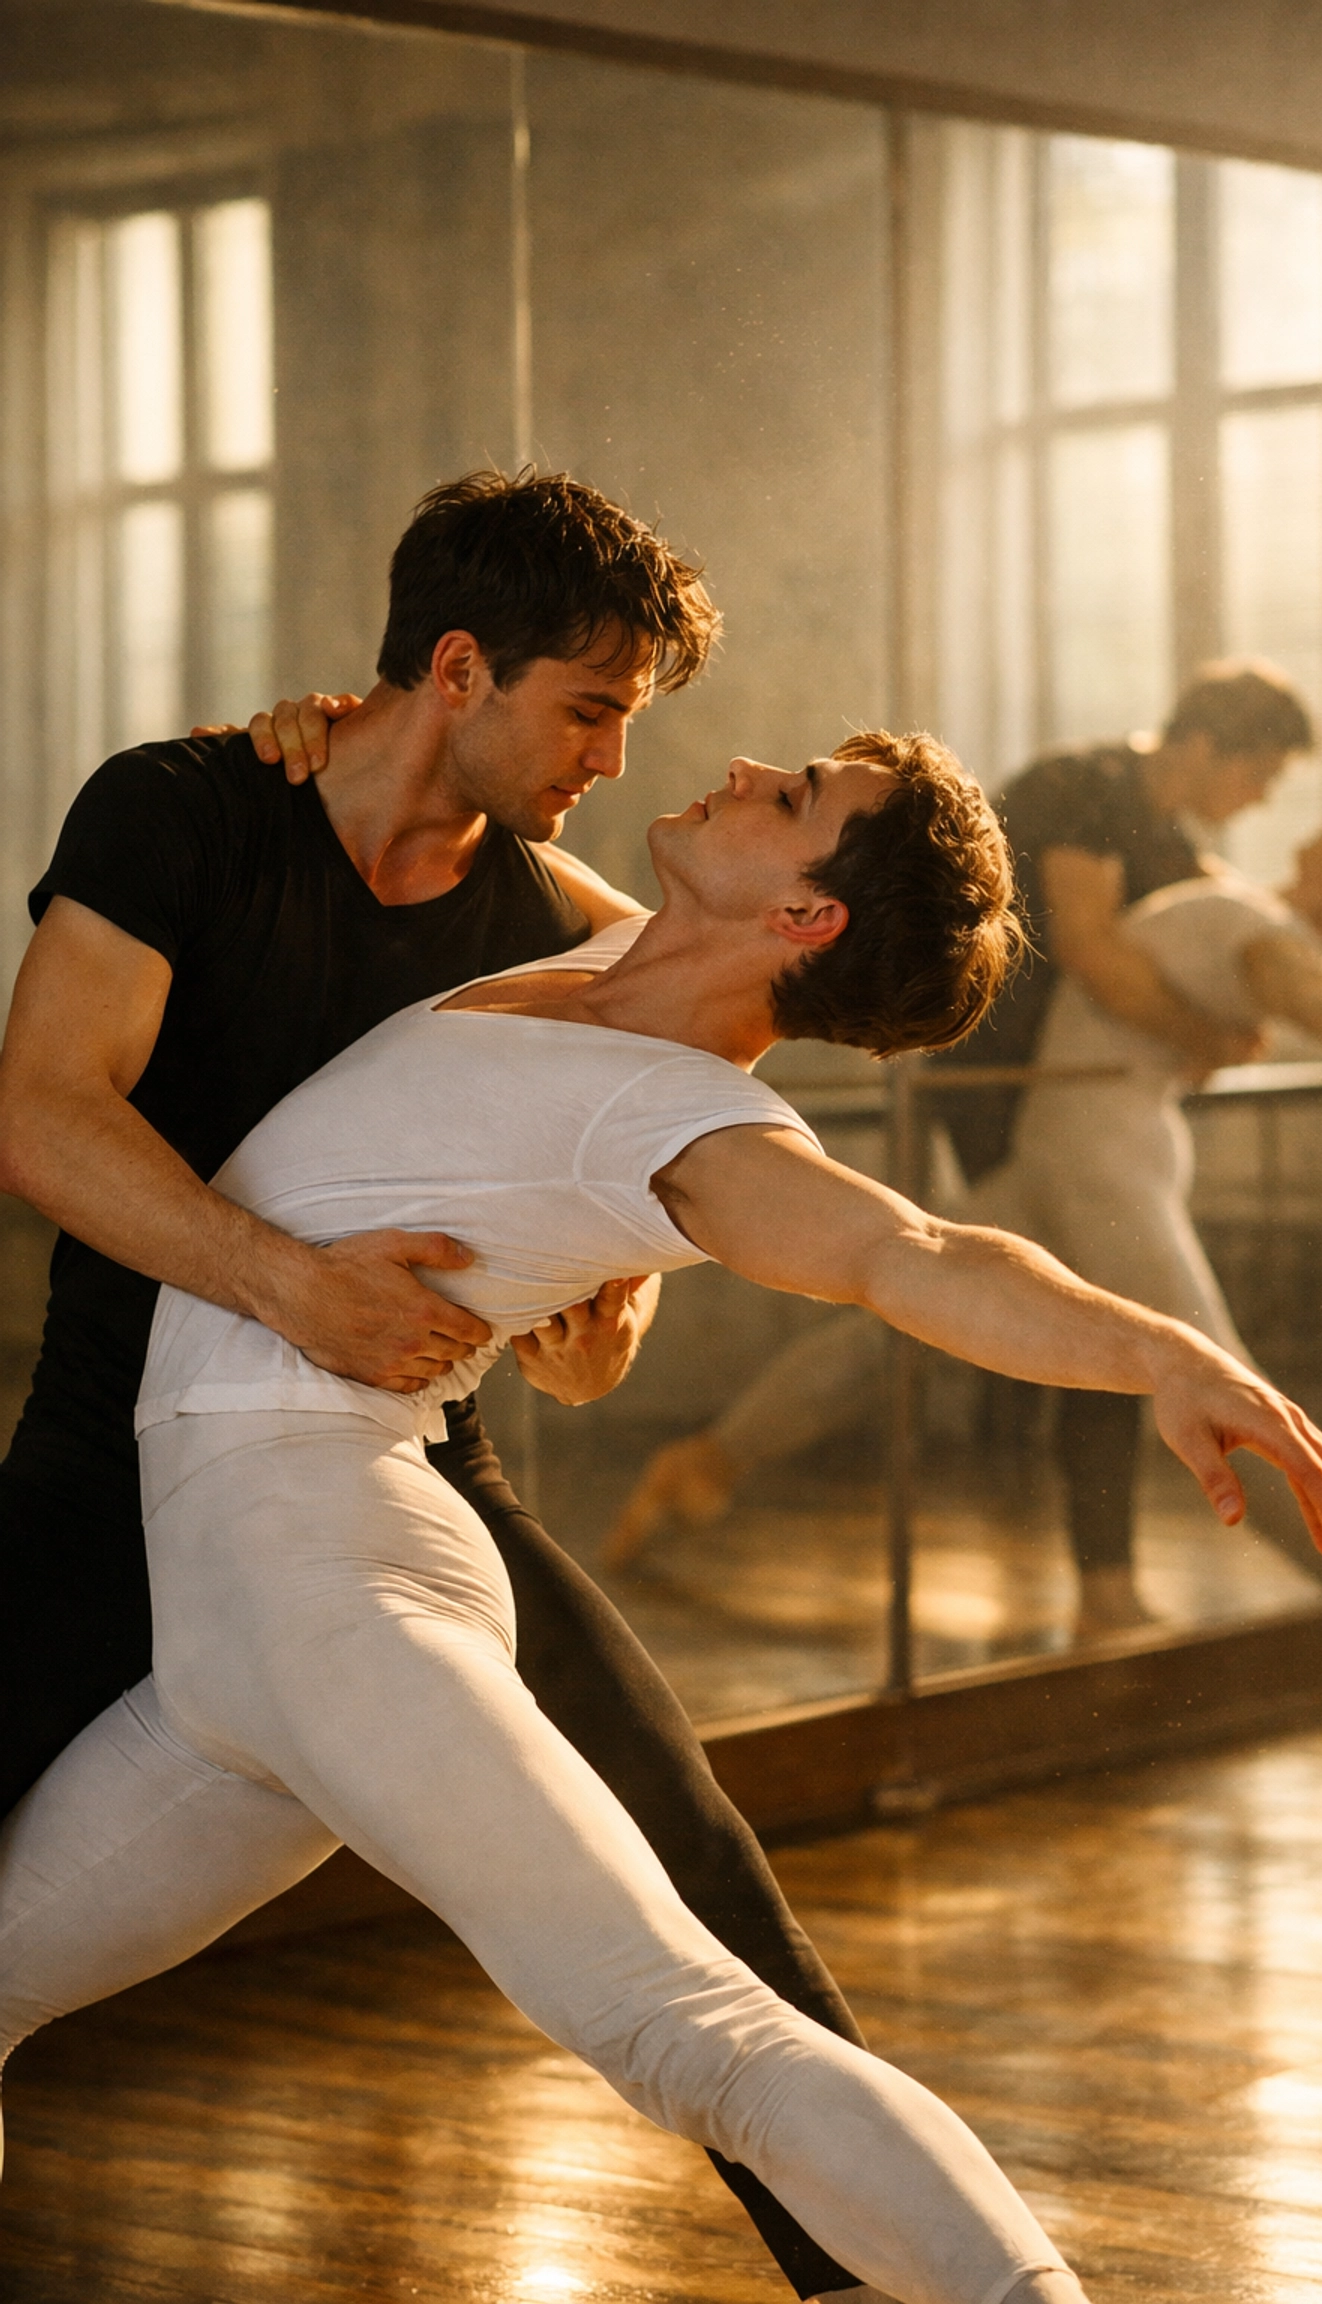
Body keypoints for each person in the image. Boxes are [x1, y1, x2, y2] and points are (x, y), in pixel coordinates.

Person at [0, 732, 1322, 2304]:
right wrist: (334, 726)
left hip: (329, 1574)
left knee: (697, 2034)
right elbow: (442, 801)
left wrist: (1162, 1351)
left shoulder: (680, 1122)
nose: (745, 765)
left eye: (793, 797)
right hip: (238, 1622)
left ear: (805, 919)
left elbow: (911, 1250)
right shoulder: (596, 946)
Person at [0, 467, 891, 2303]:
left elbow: (606, 1305)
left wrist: (586, 1317)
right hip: (111, 1457)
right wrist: (286, 1280)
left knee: (700, 1871)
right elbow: (40, 1106)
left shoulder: (563, 932)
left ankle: (871, 2277)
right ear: (460, 664)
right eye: (590, 707)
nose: (617, 756)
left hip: (406, 1473)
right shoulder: (180, 810)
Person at [606, 783, 1322, 1630]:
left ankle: (710, 1460)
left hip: (1089, 1156)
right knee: (1203, 1371)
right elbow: (1301, 990)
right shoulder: (1244, 912)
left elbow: (1314, 991)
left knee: (907, 1322)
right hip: (1090, 1160)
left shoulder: (1263, 929)